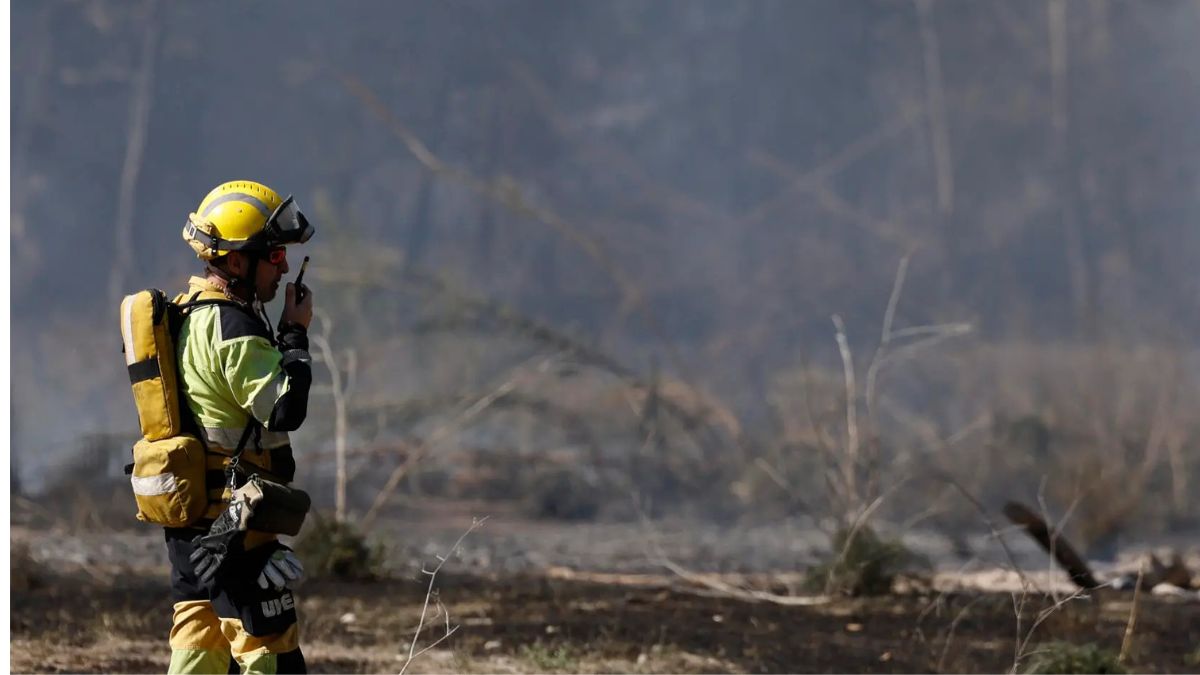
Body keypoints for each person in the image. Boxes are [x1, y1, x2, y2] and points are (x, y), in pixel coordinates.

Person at [169, 180, 315, 674]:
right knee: (271, 655)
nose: (284, 267)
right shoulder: (233, 327)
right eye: (272, 255)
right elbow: (285, 407)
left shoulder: (189, 315)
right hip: (234, 529)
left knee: (199, 650)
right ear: (236, 262)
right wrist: (295, 334)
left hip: (192, 526)